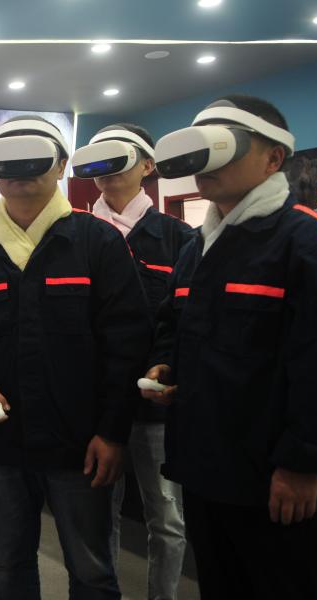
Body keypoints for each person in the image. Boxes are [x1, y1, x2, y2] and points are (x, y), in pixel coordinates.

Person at [0, 115, 152, 599]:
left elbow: (127, 344)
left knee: (92, 571)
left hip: (81, 446)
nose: (19, 171)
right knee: (7, 565)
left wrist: (113, 432)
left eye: (33, 158)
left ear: (61, 165)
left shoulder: (98, 242)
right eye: (6, 161)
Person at [142, 95, 317, 599]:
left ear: (273, 158)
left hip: (275, 480)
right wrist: (164, 364)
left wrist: (302, 462)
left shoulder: (306, 241)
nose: (206, 165)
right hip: (205, 469)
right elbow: (173, 323)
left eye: (222, 148)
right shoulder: (196, 247)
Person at [72, 123, 192, 600]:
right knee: (99, 511)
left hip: (154, 405)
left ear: (147, 165)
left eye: (117, 155)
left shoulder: (179, 237)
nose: (106, 168)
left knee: (166, 516)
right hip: (96, 402)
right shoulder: (75, 234)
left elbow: (183, 318)